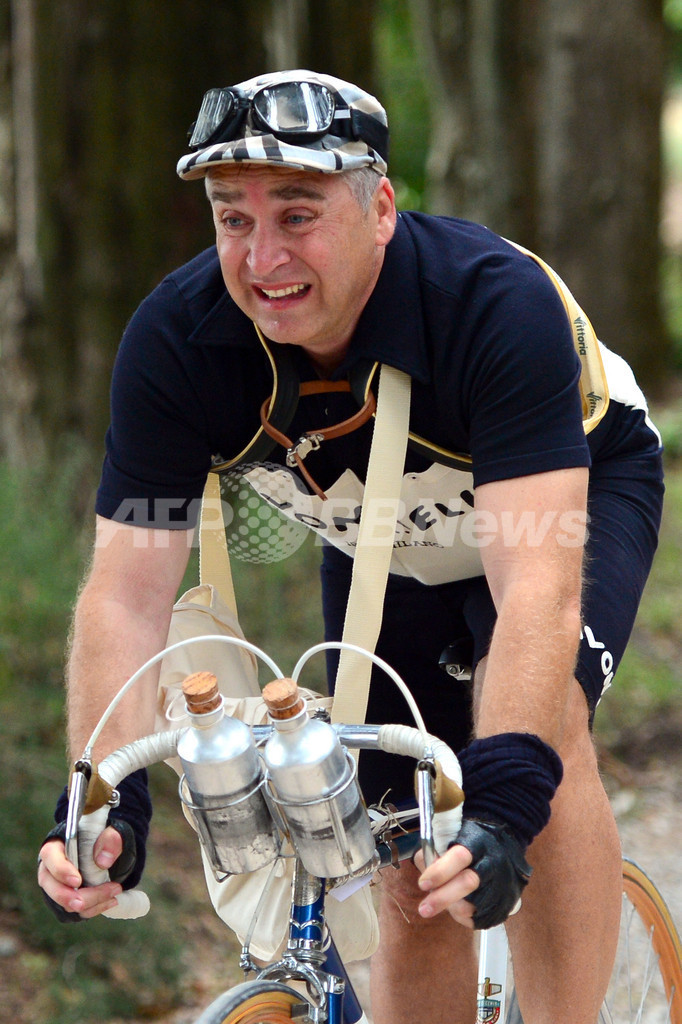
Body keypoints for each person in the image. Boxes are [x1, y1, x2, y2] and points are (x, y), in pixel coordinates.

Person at [38, 70, 664, 1024]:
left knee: (541, 739)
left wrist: (504, 804)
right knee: (404, 837)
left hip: (559, 508)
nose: (263, 257)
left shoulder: (492, 304)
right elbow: (125, 594)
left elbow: (537, 589)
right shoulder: (179, 342)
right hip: (387, 545)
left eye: (297, 214)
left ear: (379, 210)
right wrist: (102, 801)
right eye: (233, 219)